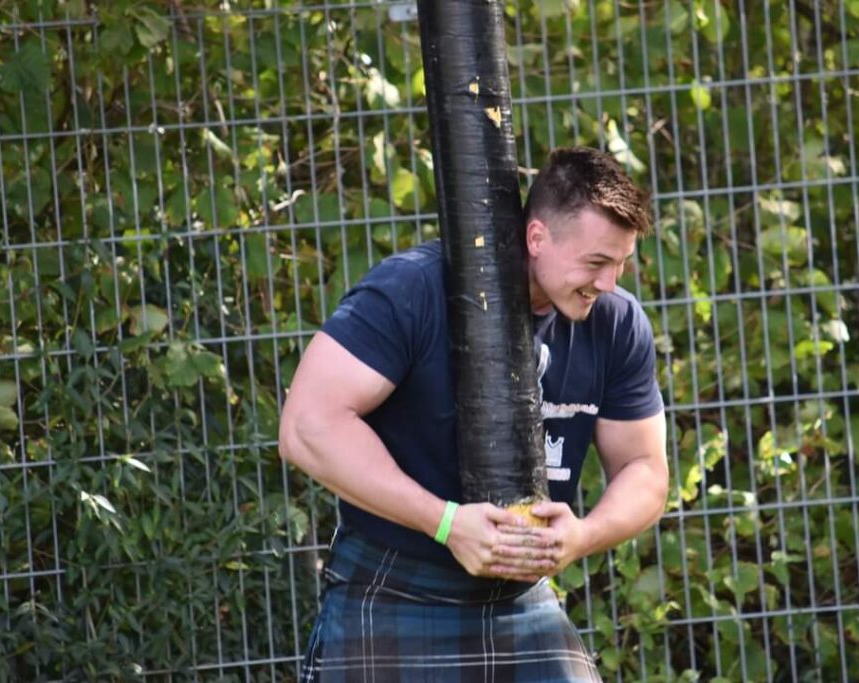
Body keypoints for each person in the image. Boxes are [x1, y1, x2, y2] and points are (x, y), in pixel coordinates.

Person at [279, 146, 669, 682]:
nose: (608, 283)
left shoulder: (617, 324)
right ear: (537, 238)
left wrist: (584, 534)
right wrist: (445, 523)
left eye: (621, 263)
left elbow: (645, 469)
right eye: (595, 263)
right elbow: (307, 426)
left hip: (520, 596)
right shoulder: (414, 289)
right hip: (396, 579)